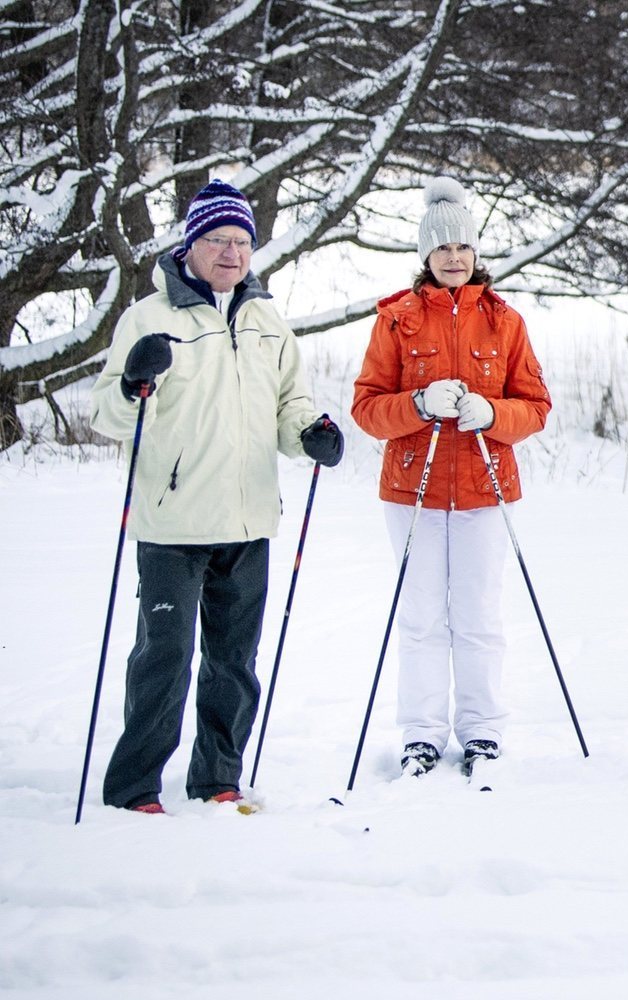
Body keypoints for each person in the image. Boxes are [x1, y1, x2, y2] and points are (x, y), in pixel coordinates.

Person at [88, 180, 343, 813]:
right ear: (191, 245)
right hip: (173, 523)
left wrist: (310, 434)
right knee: (164, 661)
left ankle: (217, 778)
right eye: (217, 240)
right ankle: (133, 788)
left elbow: (290, 405)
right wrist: (131, 384)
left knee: (234, 662)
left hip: (248, 518)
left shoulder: (267, 320)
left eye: (240, 242)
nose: (230, 254)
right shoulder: (147, 320)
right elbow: (108, 414)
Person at [351, 177, 551, 775]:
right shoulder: (396, 321)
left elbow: (536, 407)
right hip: (412, 491)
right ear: (425, 256)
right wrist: (418, 403)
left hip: (486, 491)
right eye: (443, 250)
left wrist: (493, 415)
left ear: (475, 252)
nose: (455, 259)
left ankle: (482, 730)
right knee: (419, 617)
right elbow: (367, 409)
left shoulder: (505, 322)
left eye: (463, 248)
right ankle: (421, 733)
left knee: (479, 614)